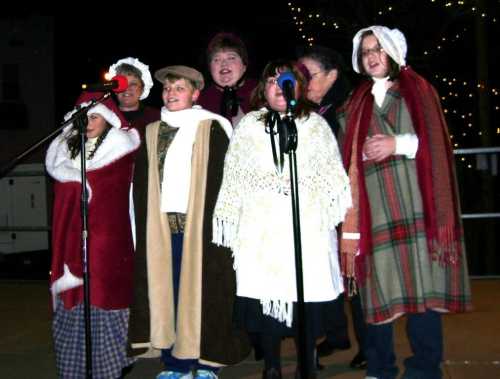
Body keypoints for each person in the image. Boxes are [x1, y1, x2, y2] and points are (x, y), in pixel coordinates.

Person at [337, 25, 472, 379]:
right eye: (366, 50)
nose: (371, 55)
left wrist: (397, 144)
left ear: (394, 52)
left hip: (413, 205)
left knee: (420, 290)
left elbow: (437, 142)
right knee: (376, 294)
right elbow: (342, 149)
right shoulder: (356, 100)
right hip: (372, 209)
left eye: (378, 48)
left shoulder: (418, 89)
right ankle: (380, 368)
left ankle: (425, 369)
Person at [212, 59, 352, 379]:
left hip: (307, 227)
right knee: (267, 294)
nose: (279, 87)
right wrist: (235, 215)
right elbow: (235, 176)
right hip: (262, 228)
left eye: (285, 80)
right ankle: (272, 366)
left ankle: (307, 362)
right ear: (264, 88)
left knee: (306, 296)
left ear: (298, 86)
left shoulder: (314, 125)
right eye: (272, 81)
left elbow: (331, 174)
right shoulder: (249, 125)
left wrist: (318, 203)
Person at [144, 65, 250, 379]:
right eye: (167, 88)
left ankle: (207, 362)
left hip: (202, 227)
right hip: (165, 227)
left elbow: (225, 180)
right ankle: (176, 363)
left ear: (195, 93)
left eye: (179, 88)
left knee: (207, 294)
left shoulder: (211, 125)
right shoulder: (155, 130)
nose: (171, 94)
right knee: (171, 293)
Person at [46, 92, 140, 378]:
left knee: (103, 299)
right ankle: (75, 369)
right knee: (75, 305)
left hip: (107, 243)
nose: (88, 121)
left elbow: (109, 191)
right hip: (70, 242)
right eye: (83, 116)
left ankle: (107, 369)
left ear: (108, 119)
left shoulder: (120, 151)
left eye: (95, 116)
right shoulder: (65, 150)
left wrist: (79, 184)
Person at [297, 45, 367, 370]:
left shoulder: (347, 108)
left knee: (354, 274)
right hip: (317, 207)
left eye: (309, 75)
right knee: (324, 270)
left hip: (349, 205)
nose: (303, 82)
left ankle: (368, 345)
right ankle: (336, 335)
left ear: (332, 76)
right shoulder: (309, 110)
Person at [107, 57, 161, 357]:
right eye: (121, 84)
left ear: (143, 88)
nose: (126, 90)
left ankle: (151, 330)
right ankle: (121, 334)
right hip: (112, 201)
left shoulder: (155, 117)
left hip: (145, 199)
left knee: (147, 263)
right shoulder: (103, 117)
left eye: (133, 85)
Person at [197, 32, 257, 126]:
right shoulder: (200, 103)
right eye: (217, 59)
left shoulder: (261, 93)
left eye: (231, 58)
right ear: (210, 68)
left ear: (244, 66)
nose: (224, 63)